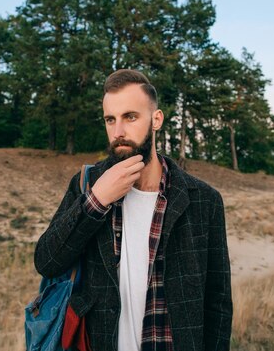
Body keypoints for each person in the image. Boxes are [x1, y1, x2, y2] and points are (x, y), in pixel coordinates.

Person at [34, 69, 232, 351]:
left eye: (130, 117)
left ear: (156, 119)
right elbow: (47, 261)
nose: (118, 132)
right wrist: (96, 201)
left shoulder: (204, 200)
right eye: (110, 120)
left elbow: (218, 303)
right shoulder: (88, 185)